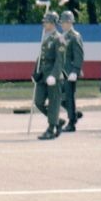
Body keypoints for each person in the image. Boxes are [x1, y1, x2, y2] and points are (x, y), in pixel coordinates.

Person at [32, 11, 66, 140]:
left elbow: (60, 59)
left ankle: (51, 128)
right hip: (43, 75)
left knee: (53, 103)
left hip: (53, 76)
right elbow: (40, 57)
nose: (44, 24)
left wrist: (54, 75)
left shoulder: (59, 38)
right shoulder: (45, 37)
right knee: (39, 101)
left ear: (53, 23)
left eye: (46, 22)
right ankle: (57, 120)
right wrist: (35, 72)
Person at [59, 11, 84, 133]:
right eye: (62, 22)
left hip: (70, 72)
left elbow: (78, 55)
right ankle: (73, 112)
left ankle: (71, 122)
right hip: (61, 71)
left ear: (70, 22)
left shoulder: (75, 36)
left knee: (69, 97)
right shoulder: (62, 36)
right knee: (60, 96)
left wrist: (76, 70)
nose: (63, 24)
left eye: (65, 22)